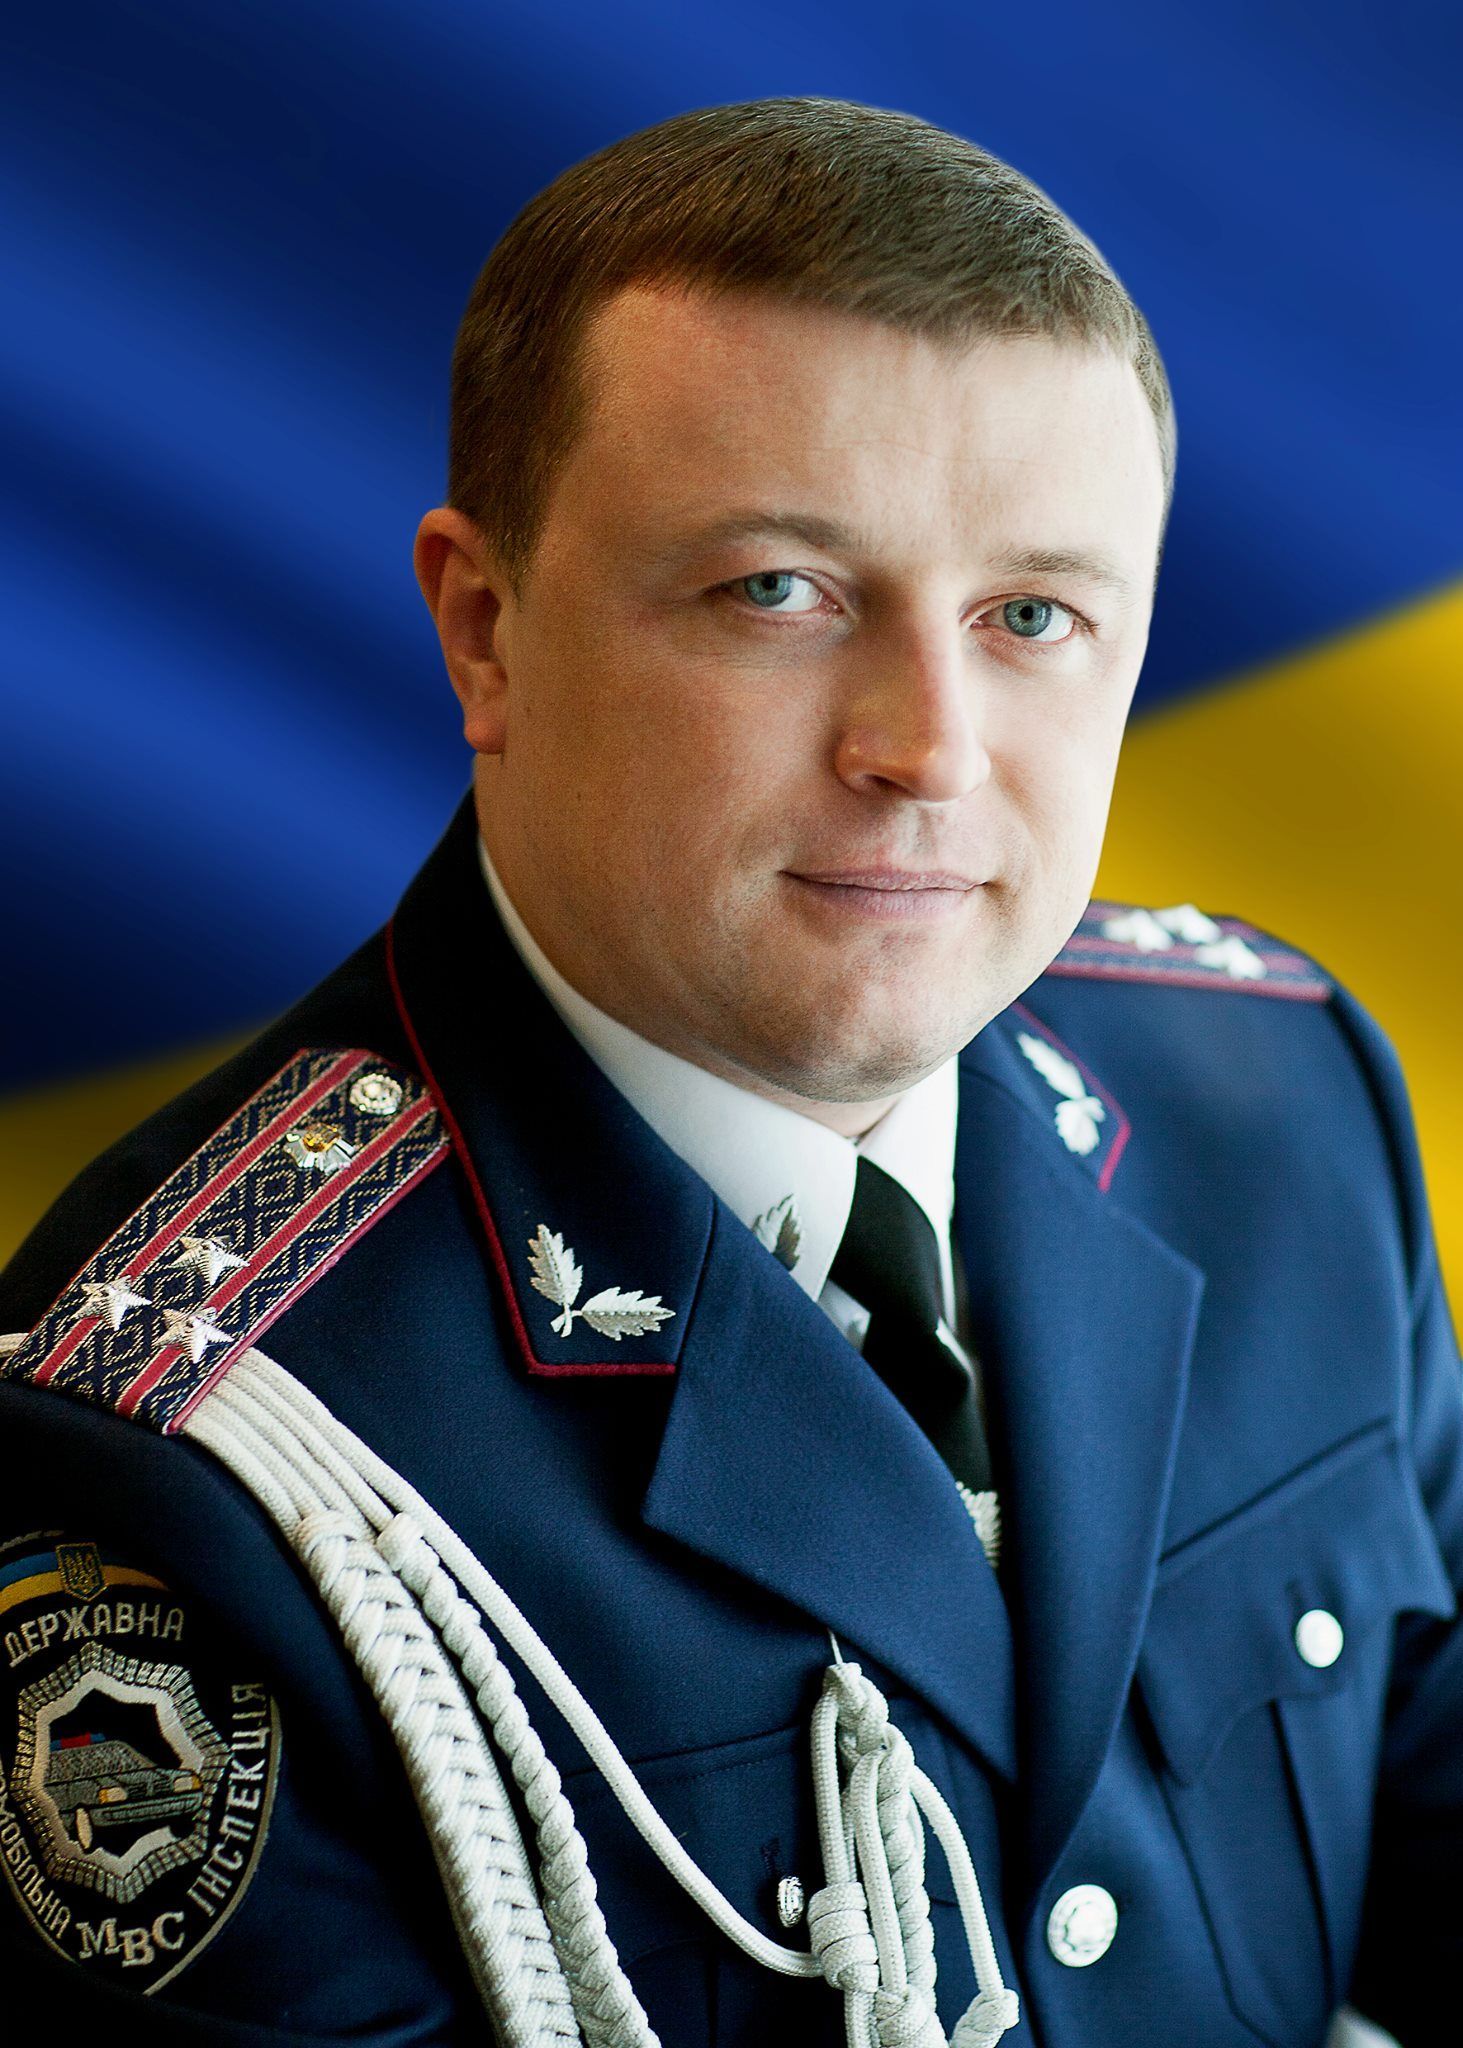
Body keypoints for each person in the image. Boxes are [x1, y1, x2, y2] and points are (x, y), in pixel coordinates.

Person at [0, 93, 1455, 2048]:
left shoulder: (1276, 1109)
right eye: (781, 590)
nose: (928, 747)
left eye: (1033, 615)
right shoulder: (194, 1462)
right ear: (485, 630)